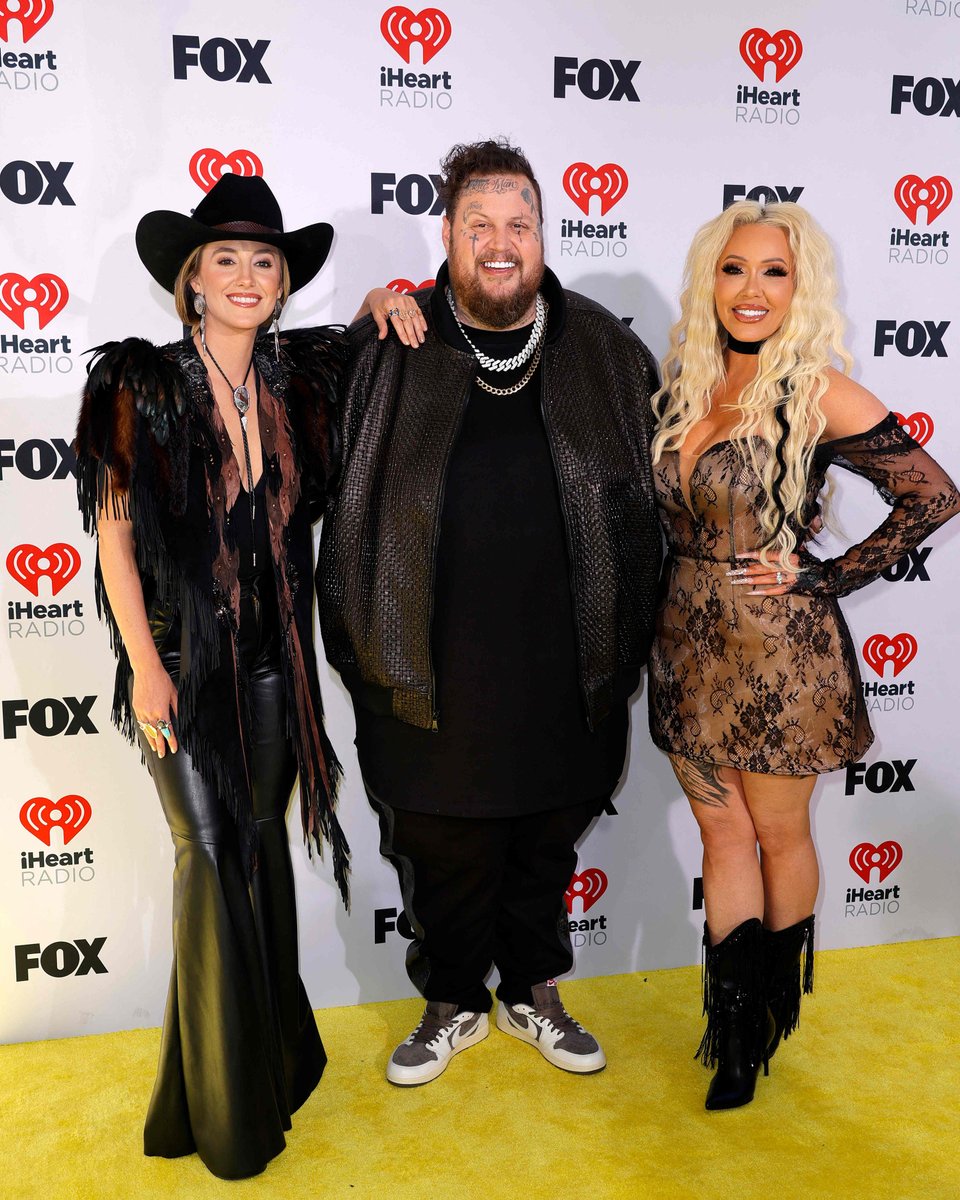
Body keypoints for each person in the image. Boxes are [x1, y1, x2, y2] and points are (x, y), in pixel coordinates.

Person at [74, 174, 425, 1178]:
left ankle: (260, 1074)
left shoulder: (298, 378)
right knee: (208, 855)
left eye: (263, 261)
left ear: (281, 284)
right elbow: (111, 534)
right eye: (223, 259)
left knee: (261, 850)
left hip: (278, 665)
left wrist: (378, 303)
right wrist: (144, 667)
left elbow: (370, 342)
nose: (244, 275)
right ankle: (223, 1121)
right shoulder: (138, 383)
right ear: (188, 280)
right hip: (180, 664)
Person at [317, 138, 663, 1087]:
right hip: (418, 657)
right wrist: (358, 320)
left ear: (545, 232)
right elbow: (282, 421)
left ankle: (533, 991)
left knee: (546, 837)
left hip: (572, 660)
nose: (502, 243)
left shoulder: (603, 345)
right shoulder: (387, 344)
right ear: (448, 234)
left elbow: (671, 482)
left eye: (521, 224)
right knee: (441, 844)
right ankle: (453, 999)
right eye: (481, 225)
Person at [647, 200, 960, 1111]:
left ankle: (759, 1027)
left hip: (781, 658)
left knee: (780, 833)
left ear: (800, 287)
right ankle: (735, 1021)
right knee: (722, 834)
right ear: (711, 280)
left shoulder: (816, 391)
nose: (751, 290)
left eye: (773, 272)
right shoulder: (685, 385)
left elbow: (933, 497)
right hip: (687, 650)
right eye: (735, 269)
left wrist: (821, 578)